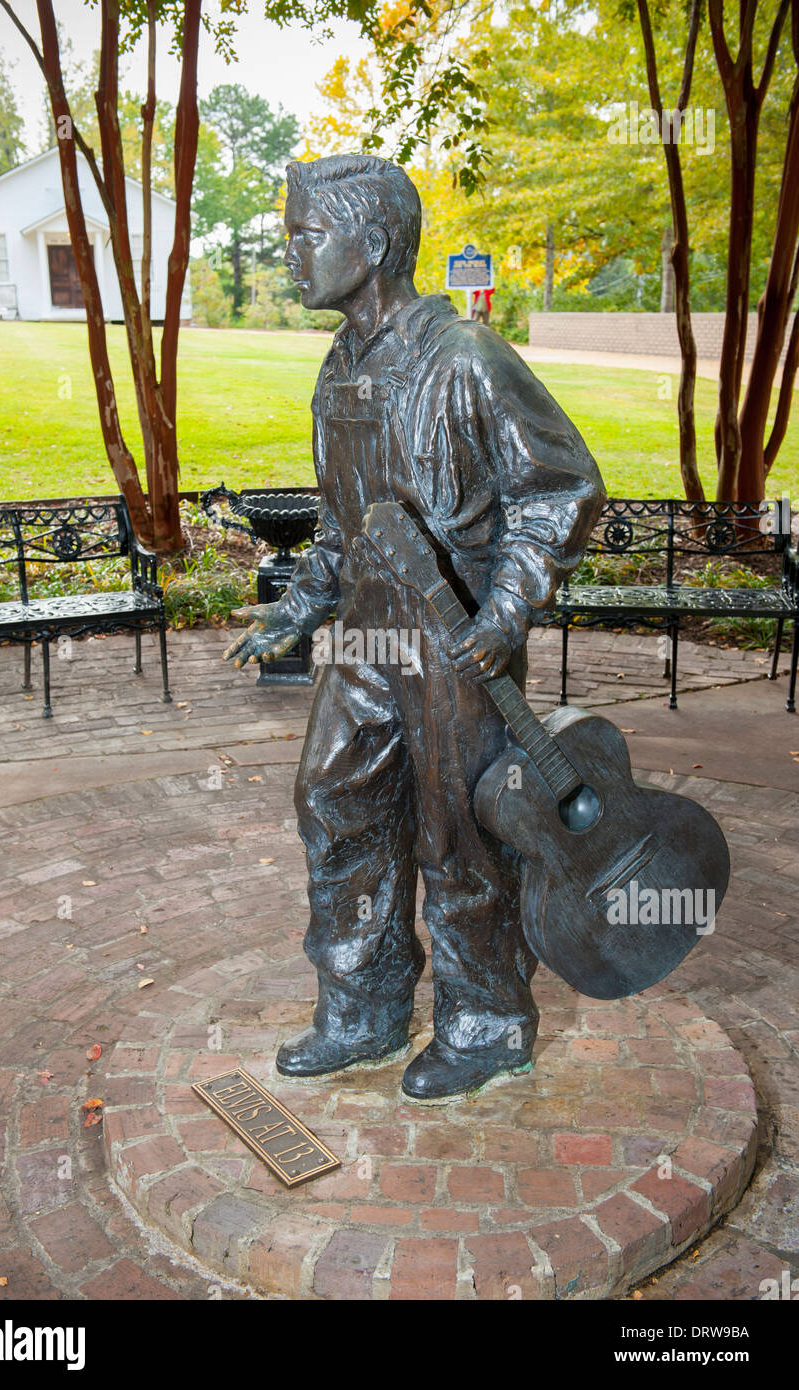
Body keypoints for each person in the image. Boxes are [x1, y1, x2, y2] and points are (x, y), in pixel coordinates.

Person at [223, 154, 605, 1101]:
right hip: (364, 639)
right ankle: (362, 1006)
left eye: (306, 233)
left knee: (458, 835)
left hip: (454, 644)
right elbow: (346, 521)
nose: (291, 251)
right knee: (333, 802)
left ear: (376, 242)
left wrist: (508, 608)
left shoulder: (467, 359)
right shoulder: (339, 366)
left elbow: (558, 491)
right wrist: (302, 604)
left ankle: (484, 1020)